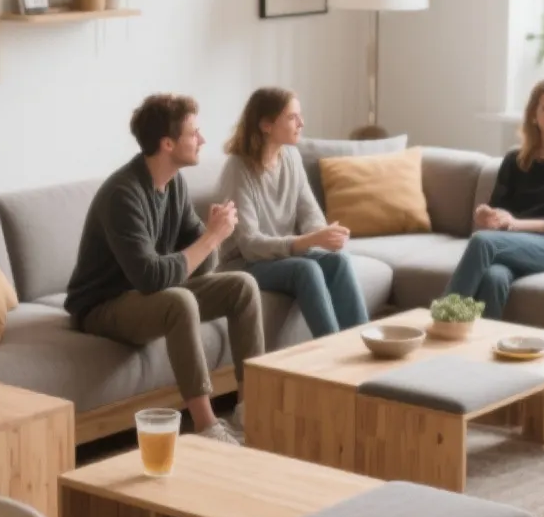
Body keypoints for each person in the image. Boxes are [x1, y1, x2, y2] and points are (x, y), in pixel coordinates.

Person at [64, 94, 264, 441]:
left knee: (242, 286)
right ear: (168, 143)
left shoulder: (174, 185)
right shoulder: (123, 194)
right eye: (194, 133)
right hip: (103, 305)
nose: (202, 140)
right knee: (179, 302)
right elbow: (150, 277)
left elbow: (203, 267)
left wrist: (210, 236)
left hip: (144, 295)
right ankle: (207, 427)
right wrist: (212, 238)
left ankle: (249, 413)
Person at [216, 87, 367, 337]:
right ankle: (331, 349)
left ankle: (363, 343)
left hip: (279, 257)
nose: (301, 123)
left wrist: (325, 234)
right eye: (292, 117)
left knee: (338, 261)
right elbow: (250, 245)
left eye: (300, 115)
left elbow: (310, 215)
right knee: (305, 270)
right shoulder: (238, 168)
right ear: (266, 124)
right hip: (244, 263)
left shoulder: (292, 157)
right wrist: (308, 241)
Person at [443, 77, 544, 318]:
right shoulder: (516, 160)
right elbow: (498, 211)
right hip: (512, 243)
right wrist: (488, 215)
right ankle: (480, 349)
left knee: (482, 242)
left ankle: (444, 319)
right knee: (495, 277)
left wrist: (515, 224)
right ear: (533, 115)